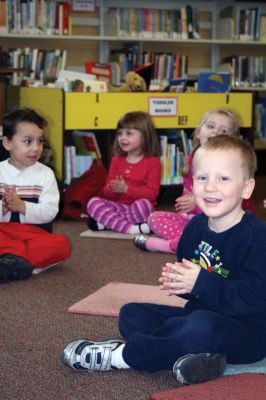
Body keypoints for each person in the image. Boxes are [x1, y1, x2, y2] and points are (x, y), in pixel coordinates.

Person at [61, 135, 266, 385]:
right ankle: (201, 358)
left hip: (249, 332)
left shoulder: (256, 238)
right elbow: (195, 293)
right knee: (132, 314)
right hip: (201, 316)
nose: (210, 187)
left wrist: (200, 283)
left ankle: (125, 355)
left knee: (199, 327)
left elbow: (255, 298)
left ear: (247, 188)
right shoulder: (195, 228)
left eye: (223, 178)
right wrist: (181, 285)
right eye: (202, 178)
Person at [134, 108, 256, 254]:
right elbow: (190, 200)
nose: (216, 132)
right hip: (199, 220)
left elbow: (230, 205)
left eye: (224, 131)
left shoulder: (232, 164)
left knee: (231, 238)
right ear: (199, 131)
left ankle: (175, 246)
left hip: (228, 222)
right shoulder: (192, 161)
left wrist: (197, 202)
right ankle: (192, 245)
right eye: (210, 126)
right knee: (155, 218)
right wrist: (190, 204)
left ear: (233, 140)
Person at [0, 107, 70, 282]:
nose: (36, 148)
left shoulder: (46, 174)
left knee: (61, 244)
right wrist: (4, 207)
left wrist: (23, 206)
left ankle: (15, 262)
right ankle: (19, 263)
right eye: (28, 141)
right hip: (4, 232)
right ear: (7, 143)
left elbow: (50, 211)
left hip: (34, 235)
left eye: (40, 141)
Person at [86, 111, 161, 234]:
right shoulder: (116, 160)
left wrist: (126, 189)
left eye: (129, 133)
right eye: (120, 133)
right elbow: (106, 193)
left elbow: (152, 194)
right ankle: (131, 228)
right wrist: (112, 188)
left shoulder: (153, 162)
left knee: (144, 205)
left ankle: (110, 224)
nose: (122, 138)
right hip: (119, 208)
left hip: (140, 209)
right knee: (93, 202)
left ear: (145, 136)